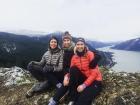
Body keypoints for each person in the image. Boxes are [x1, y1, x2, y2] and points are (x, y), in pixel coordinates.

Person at [48, 38, 102, 105]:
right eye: (78, 44)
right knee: (70, 75)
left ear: (85, 45)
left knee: (82, 99)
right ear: (75, 46)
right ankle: (55, 100)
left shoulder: (90, 54)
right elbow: (71, 71)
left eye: (81, 44)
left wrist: (84, 85)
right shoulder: (74, 57)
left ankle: (75, 99)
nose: (80, 46)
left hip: (95, 81)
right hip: (84, 78)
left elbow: (94, 74)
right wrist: (66, 77)